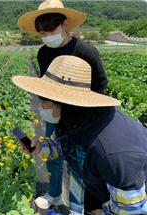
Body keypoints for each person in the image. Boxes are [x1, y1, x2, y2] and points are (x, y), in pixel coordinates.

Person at [12, 55, 147, 214]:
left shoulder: (114, 151)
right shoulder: (71, 118)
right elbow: (63, 144)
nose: (40, 106)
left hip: (132, 199)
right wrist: (41, 148)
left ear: (63, 103)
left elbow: (133, 209)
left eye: (43, 101)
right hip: (98, 188)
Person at [18, 0, 108, 211]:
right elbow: (45, 85)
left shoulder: (86, 52)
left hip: (85, 118)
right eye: (42, 33)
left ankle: (78, 205)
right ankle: (55, 195)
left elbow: (100, 86)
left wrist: (91, 118)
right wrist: (48, 110)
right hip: (56, 115)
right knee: (53, 155)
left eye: (51, 30)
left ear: (65, 24)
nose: (47, 36)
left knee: (80, 163)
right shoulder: (43, 53)